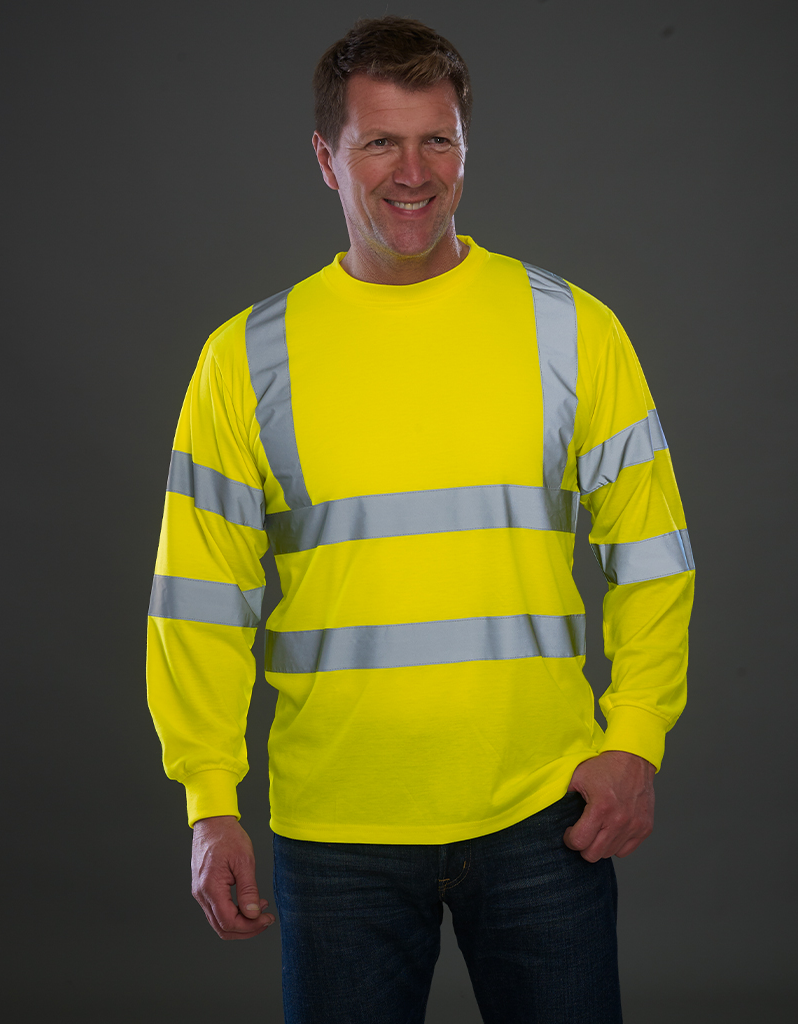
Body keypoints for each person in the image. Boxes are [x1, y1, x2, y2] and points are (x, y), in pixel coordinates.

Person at [147, 15, 694, 1024]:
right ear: (326, 158)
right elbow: (199, 599)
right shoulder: (245, 359)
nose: (413, 172)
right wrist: (208, 800)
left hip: (543, 816)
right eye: (380, 143)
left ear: (465, 149)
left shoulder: (571, 329)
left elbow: (655, 554)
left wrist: (637, 738)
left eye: (437, 139)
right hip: (336, 833)